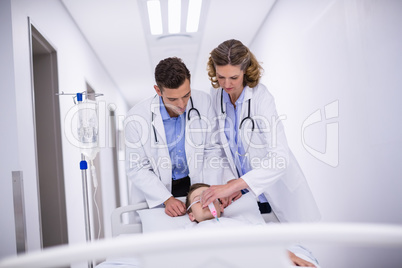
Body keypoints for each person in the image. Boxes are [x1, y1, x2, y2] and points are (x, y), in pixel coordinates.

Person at [202, 39, 321, 222]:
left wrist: (235, 186)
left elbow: (280, 158)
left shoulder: (261, 98)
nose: (226, 84)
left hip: (276, 191)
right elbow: (219, 149)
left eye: (233, 77)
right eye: (220, 77)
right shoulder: (216, 96)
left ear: (246, 71)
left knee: (297, 246)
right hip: (245, 196)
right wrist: (229, 182)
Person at [125, 57, 235, 217]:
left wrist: (210, 189)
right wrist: (165, 198)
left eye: (186, 95)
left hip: (196, 183)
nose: (182, 104)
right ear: (158, 90)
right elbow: (137, 167)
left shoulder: (203, 101)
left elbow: (212, 150)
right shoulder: (136, 117)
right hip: (159, 189)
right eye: (172, 99)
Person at [186, 183, 318, 267]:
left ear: (221, 207)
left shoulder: (238, 223)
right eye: (198, 200)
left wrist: (291, 256)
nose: (206, 202)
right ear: (191, 215)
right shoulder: (187, 235)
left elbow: (265, 241)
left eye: (210, 197)